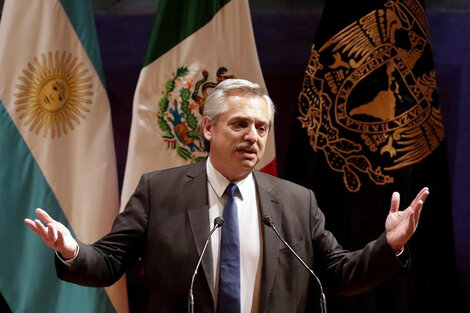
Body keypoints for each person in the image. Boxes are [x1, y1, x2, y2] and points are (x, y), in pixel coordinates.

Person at [25, 79, 429, 313]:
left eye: (261, 127)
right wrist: (72, 251)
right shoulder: (159, 190)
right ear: (207, 128)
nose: (252, 136)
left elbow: (339, 273)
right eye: (239, 124)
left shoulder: (295, 202)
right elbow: (110, 262)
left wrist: (388, 246)